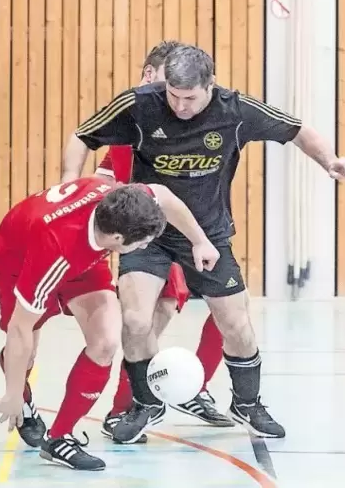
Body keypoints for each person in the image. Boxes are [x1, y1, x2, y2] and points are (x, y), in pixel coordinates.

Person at [62, 44, 345, 444]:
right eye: (173, 96)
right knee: (134, 320)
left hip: (209, 235)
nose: (180, 107)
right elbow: (83, 135)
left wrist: (330, 161)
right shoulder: (140, 104)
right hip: (147, 233)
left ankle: (247, 402)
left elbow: (297, 131)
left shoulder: (235, 111)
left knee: (235, 323)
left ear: (211, 86)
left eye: (190, 98)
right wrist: (68, 186)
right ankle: (146, 403)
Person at [0, 177, 219, 470]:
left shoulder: (121, 199)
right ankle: (22, 400)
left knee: (106, 342)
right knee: (28, 346)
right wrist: (12, 392)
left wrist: (200, 241)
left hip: (82, 253)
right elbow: (19, 328)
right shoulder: (56, 249)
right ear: (117, 240)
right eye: (144, 242)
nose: (147, 246)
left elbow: (163, 195)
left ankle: (59, 438)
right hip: (20, 257)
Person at [94, 42, 234, 442]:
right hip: (143, 236)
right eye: (156, 81)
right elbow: (106, 171)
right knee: (144, 321)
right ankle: (131, 406)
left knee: (215, 312)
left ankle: (186, 388)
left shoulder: (182, 121)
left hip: (185, 231)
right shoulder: (133, 119)